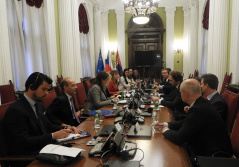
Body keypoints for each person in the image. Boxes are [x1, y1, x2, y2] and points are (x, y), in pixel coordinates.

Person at [3, 72, 81, 166]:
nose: (46, 93)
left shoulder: (39, 105)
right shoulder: (16, 110)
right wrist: (52, 136)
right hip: (28, 157)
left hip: (45, 149)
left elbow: (47, 125)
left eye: (47, 90)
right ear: (32, 87)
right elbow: (22, 142)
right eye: (43, 89)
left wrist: (65, 128)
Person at [153, 79, 232, 157]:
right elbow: (186, 122)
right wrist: (164, 124)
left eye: (181, 93)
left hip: (213, 156)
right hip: (206, 147)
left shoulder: (198, 109)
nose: (180, 95)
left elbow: (179, 138)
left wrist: (164, 130)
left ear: (186, 94)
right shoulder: (202, 103)